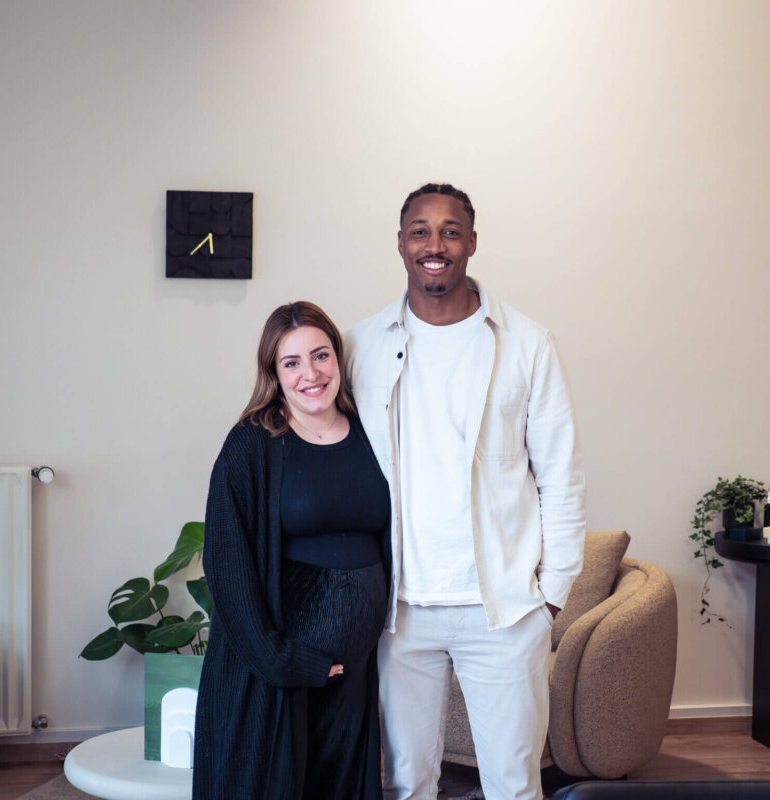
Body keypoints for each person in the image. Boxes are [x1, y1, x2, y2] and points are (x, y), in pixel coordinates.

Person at [344, 183, 586, 800]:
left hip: (502, 610)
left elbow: (561, 474)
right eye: (420, 231)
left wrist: (552, 593)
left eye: (450, 231)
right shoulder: (360, 346)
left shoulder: (527, 343)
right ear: (401, 243)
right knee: (406, 784)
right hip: (400, 610)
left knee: (513, 784)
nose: (436, 244)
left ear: (472, 243)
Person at [193, 301, 391, 800]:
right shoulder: (251, 444)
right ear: (274, 373)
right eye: (292, 362)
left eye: (321, 355)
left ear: (338, 358)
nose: (311, 373)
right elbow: (226, 565)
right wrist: (281, 661)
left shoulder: (372, 430)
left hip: (355, 670)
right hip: (279, 671)